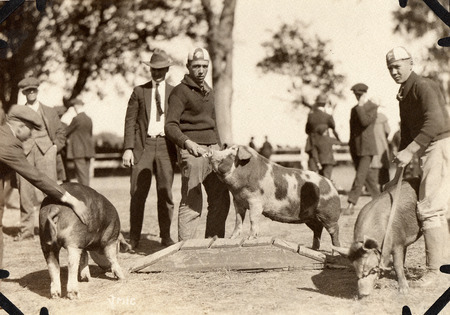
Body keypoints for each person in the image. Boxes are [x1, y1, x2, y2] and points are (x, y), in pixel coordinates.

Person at [385, 46, 450, 287]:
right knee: (438, 209)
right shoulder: (404, 92)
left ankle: (435, 271)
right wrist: (397, 177)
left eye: (398, 66)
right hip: (430, 147)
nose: (394, 71)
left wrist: (411, 150)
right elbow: (405, 137)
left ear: (410, 63)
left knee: (430, 208)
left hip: (441, 144)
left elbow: (435, 122)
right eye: (390, 68)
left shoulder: (423, 86)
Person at [0, 105, 88, 270]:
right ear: (20, 126)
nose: (32, 135)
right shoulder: (11, 144)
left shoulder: (3, 133)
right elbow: (36, 177)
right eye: (31, 129)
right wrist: (71, 200)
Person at [165, 47, 230, 241]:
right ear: (188, 67)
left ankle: (214, 243)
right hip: (192, 152)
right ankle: (187, 248)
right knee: (192, 201)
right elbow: (170, 126)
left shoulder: (209, 92)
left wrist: (220, 146)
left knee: (221, 198)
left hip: (213, 151)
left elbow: (214, 124)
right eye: (196, 66)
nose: (201, 70)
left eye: (204, 66)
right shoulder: (179, 92)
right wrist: (187, 143)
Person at [123, 49, 177, 249]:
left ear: (167, 69)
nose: (157, 73)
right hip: (142, 146)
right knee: (138, 193)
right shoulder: (139, 91)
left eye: (161, 69)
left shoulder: (175, 92)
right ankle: (134, 237)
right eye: (154, 69)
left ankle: (165, 236)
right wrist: (128, 148)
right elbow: (130, 122)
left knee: (166, 193)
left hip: (165, 146)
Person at [15, 77, 66, 241]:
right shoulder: (16, 113)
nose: (31, 93)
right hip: (25, 155)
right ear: (23, 93)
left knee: (50, 190)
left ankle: (53, 227)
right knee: (25, 191)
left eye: (33, 90)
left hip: (46, 154)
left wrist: (55, 147)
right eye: (27, 90)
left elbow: (61, 132)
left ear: (37, 91)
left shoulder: (50, 111)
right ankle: (26, 230)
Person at [344, 83, 379, 215]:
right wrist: (350, 146)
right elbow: (352, 130)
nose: (356, 97)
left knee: (360, 176)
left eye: (358, 95)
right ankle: (380, 199)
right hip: (356, 148)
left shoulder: (372, 107)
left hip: (367, 148)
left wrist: (360, 106)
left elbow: (364, 122)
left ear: (365, 94)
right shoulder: (354, 109)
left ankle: (350, 204)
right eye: (355, 95)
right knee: (366, 176)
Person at [304, 94, 341, 175]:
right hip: (325, 146)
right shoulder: (327, 116)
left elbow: (306, 130)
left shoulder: (310, 116)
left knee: (313, 171)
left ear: (316, 103)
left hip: (312, 143)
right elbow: (333, 127)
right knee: (326, 170)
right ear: (325, 103)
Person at [65, 99, 95, 186]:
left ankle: (86, 193)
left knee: (81, 175)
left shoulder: (76, 119)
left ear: (77, 107)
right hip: (88, 151)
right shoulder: (89, 119)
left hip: (78, 151)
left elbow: (66, 132)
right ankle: (88, 192)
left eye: (74, 107)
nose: (74, 109)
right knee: (85, 174)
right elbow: (90, 134)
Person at [369, 111, 391, 190]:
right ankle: (384, 186)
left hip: (372, 144)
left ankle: (374, 187)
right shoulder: (382, 117)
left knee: (374, 165)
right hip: (381, 144)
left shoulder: (368, 117)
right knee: (383, 164)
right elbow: (388, 130)